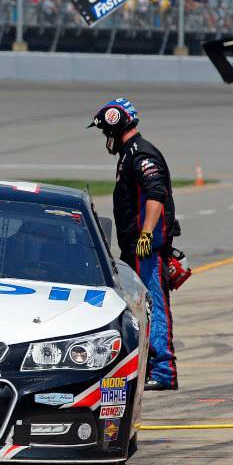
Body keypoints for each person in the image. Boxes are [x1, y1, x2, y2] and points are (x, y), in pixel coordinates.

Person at [89, 97, 179, 391]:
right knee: (142, 307)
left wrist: (146, 235)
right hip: (137, 248)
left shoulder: (141, 155)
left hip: (146, 249)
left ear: (115, 125)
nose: (105, 138)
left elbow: (156, 194)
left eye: (105, 131)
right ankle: (147, 367)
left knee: (153, 306)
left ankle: (163, 371)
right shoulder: (129, 154)